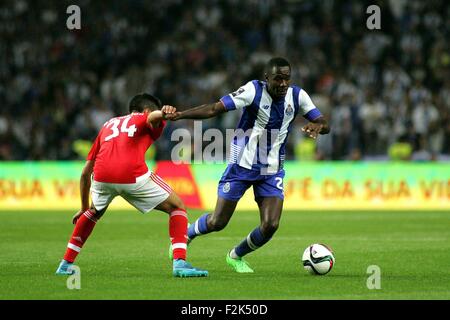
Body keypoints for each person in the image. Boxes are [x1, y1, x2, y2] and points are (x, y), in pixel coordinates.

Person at [166, 57, 330, 273]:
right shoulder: (253, 91)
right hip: (241, 165)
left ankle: (235, 255)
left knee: (270, 225)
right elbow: (215, 109)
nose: (282, 84)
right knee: (218, 222)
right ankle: (188, 233)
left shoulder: (298, 96)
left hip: (271, 169)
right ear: (266, 78)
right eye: (277, 79)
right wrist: (180, 115)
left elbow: (324, 122)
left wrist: (318, 126)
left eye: (286, 79)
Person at [55, 93, 208, 278]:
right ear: (145, 110)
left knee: (94, 211)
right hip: (131, 175)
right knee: (178, 207)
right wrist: (163, 112)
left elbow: (86, 172)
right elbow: (152, 118)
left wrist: (84, 207)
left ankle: (65, 264)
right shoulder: (143, 117)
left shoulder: (108, 124)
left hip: (101, 176)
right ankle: (180, 262)